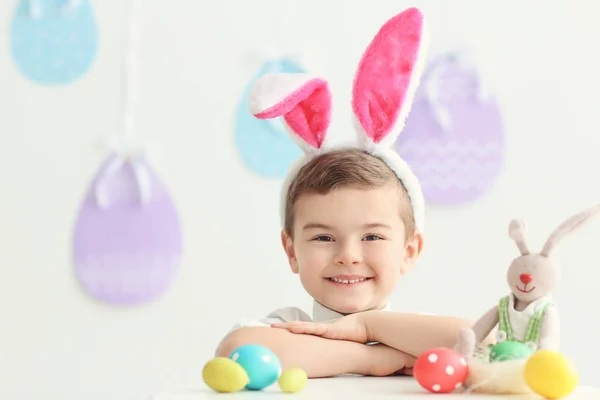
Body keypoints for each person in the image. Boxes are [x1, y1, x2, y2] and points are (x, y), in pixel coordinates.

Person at [216, 7, 490, 378]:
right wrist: (370, 358)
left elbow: (490, 344)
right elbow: (236, 351)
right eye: (324, 236)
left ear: (409, 251)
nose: (348, 256)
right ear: (291, 250)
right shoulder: (287, 327)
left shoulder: (412, 334)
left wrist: (370, 327)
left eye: (373, 236)